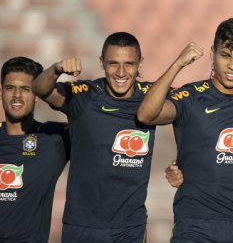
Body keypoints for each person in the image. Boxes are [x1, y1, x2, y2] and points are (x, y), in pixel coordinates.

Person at [137, 18, 233, 242]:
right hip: (194, 224)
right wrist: (178, 64)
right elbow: (146, 114)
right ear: (211, 54)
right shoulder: (191, 97)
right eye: (225, 55)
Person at [33, 32, 154, 243]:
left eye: (129, 63)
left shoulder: (152, 97)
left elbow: (191, 117)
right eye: (113, 63)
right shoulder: (84, 94)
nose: (121, 72)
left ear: (140, 63)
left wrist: (181, 165)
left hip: (130, 228)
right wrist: (56, 69)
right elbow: (41, 89)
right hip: (82, 225)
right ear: (101, 62)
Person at [0, 57, 69, 243]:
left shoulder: (55, 137)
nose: (16, 95)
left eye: (25, 89)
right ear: (1, 93)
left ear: (38, 94)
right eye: (9, 88)